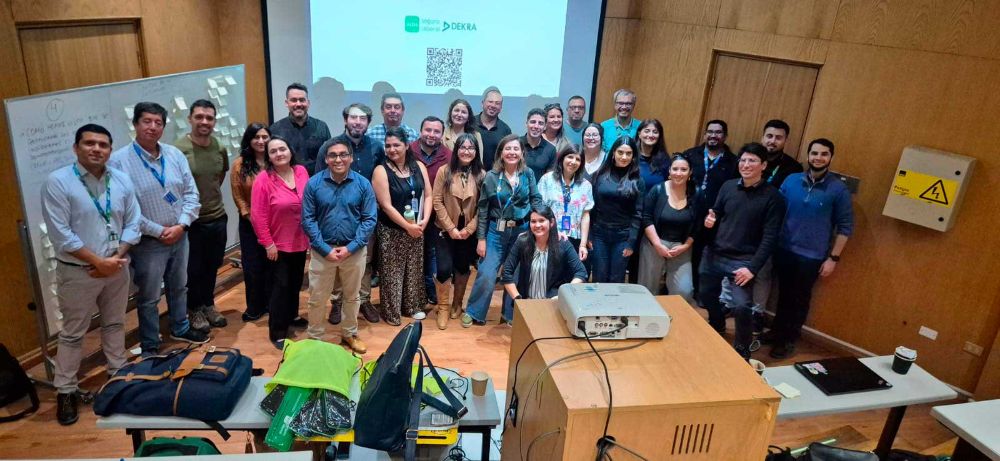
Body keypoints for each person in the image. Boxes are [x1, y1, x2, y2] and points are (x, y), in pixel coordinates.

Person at [43, 124, 141, 425]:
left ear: (110, 150)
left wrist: (115, 257)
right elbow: (62, 235)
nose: (96, 149)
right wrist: (99, 262)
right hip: (79, 271)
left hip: (117, 267)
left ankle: (117, 377)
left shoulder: (121, 180)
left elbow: (133, 222)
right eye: (89, 143)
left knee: (115, 324)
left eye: (103, 144)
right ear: (76, 148)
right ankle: (66, 390)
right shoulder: (59, 182)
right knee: (73, 333)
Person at [108, 102, 208, 356]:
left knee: (179, 286)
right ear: (135, 124)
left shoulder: (174, 154)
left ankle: (180, 327)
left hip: (180, 235)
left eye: (158, 123)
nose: (152, 127)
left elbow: (191, 193)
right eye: (147, 121)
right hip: (147, 242)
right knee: (149, 296)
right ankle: (151, 342)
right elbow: (125, 209)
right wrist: (158, 231)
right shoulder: (119, 162)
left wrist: (181, 225)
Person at [767, 138, 853, 359]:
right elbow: (776, 210)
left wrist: (833, 258)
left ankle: (787, 340)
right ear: (808, 155)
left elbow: (845, 227)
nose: (818, 158)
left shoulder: (838, 189)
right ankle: (776, 332)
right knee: (783, 294)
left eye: (824, 154)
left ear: (831, 157)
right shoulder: (791, 180)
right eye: (814, 153)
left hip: (812, 257)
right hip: (784, 248)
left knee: (799, 299)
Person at [699, 142, 786, 359]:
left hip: (744, 260)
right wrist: (710, 221)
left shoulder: (773, 197)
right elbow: (716, 213)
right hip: (715, 253)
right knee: (706, 295)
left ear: (763, 165)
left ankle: (742, 349)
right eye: (743, 160)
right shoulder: (728, 186)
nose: (746, 165)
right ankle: (717, 322)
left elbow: (770, 237)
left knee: (742, 306)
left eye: (752, 161)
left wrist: (752, 268)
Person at [302, 139, 377, 354]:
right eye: (333, 155)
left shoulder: (363, 184)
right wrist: (325, 249)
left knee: (352, 296)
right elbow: (308, 219)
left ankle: (349, 333)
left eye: (343, 154)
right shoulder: (313, 184)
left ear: (351, 158)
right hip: (322, 251)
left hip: (353, 252)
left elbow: (369, 219)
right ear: (326, 159)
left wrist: (350, 248)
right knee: (317, 298)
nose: (338, 159)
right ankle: (315, 337)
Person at [463, 134, 542, 327]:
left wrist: (544, 221)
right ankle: (474, 311)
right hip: (495, 232)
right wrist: (481, 238)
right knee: (486, 273)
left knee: (515, 274)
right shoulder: (491, 176)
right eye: (508, 149)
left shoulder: (528, 174)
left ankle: (510, 314)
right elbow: (483, 209)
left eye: (516, 149)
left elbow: (536, 199)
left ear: (522, 153)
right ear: (501, 153)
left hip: (521, 231)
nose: (512, 152)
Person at [316, 103, 385, 325]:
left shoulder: (376, 147)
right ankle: (337, 301)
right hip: (335, 215)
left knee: (365, 260)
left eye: (362, 118)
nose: (357, 122)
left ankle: (363, 300)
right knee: (338, 259)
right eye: (353, 117)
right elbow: (318, 181)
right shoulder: (329, 146)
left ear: (368, 123)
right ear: (345, 120)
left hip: (365, 215)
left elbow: (381, 178)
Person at [250, 137, 310, 349]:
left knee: (295, 283)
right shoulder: (263, 179)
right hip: (277, 245)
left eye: (282, 149)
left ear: (290, 151)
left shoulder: (301, 171)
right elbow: (257, 216)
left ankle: (292, 316)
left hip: (300, 241)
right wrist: (268, 244)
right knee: (280, 288)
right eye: (273, 151)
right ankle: (277, 330)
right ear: (268, 157)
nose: (279, 154)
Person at [175, 99, 229, 330]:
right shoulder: (178, 150)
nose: (204, 122)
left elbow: (219, 177)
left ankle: (208, 304)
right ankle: (195, 309)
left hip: (217, 216)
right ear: (190, 119)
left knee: (212, 265)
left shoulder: (219, 147)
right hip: (191, 222)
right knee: (193, 269)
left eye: (209, 118)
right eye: (199, 117)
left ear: (214, 121)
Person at [373, 127, 433, 326]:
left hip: (417, 227)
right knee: (392, 273)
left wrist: (424, 220)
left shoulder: (419, 166)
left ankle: (412, 306)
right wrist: (407, 227)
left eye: (396, 145)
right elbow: (386, 206)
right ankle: (392, 312)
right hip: (392, 230)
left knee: (414, 269)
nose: (392, 149)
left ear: (407, 145)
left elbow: (429, 195)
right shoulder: (381, 171)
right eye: (388, 146)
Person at [753, 119, 803, 325]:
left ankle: (757, 313)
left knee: (763, 272)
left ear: (785, 140)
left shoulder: (794, 168)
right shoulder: (750, 157)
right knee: (733, 264)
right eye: (769, 136)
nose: (772, 141)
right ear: (763, 137)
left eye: (778, 138)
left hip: (771, 227)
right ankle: (729, 304)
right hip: (743, 222)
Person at [432, 133, 484, 329]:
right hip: (445, 230)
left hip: (468, 232)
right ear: (456, 150)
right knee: (444, 268)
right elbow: (437, 201)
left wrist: (469, 229)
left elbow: (483, 207)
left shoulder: (482, 175)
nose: (466, 151)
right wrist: (451, 228)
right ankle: (443, 307)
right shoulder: (444, 171)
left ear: (476, 152)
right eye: (463, 147)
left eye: (471, 148)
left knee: (462, 267)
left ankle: (457, 304)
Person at [683, 119, 738, 294]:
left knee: (706, 257)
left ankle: (701, 293)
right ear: (705, 134)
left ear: (725, 136)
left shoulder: (733, 162)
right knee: (685, 252)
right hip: (688, 213)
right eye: (710, 132)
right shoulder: (690, 155)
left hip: (715, 219)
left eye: (718, 132)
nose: (713, 135)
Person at [638, 155, 697, 304]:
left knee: (684, 291)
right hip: (654, 243)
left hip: (681, 246)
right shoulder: (657, 190)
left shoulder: (696, 193)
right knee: (648, 290)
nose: (679, 173)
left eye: (683, 169)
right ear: (669, 171)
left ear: (690, 172)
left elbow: (698, 224)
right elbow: (646, 218)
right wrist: (657, 244)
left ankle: (673, 315)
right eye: (675, 169)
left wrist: (686, 246)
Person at [501, 205, 588, 301]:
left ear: (551, 222)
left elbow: (581, 272)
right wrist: (518, 299)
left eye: (541, 220)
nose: (537, 225)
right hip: (527, 302)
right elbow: (506, 272)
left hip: (553, 303)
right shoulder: (522, 241)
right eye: (533, 221)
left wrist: (564, 295)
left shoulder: (563, 244)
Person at [589, 136, 645, 284]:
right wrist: (589, 236)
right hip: (599, 234)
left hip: (623, 236)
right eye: (620, 152)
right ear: (613, 153)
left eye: (628, 153)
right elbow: (591, 208)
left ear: (633, 156)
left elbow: (638, 214)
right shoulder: (599, 176)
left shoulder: (637, 180)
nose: (624, 157)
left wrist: (631, 242)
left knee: (616, 279)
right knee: (599, 277)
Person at [231, 123, 272, 322]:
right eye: (256, 137)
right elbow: (238, 195)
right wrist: (251, 218)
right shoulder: (240, 164)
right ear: (249, 140)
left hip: (274, 224)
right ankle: (255, 307)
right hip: (250, 224)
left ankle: (273, 304)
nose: (261, 141)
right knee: (253, 267)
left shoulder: (275, 160)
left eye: (265, 137)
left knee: (273, 266)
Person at [411, 116, 452, 306]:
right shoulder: (408, 151)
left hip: (437, 215)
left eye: (436, 131)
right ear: (420, 131)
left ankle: (432, 290)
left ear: (442, 134)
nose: (431, 134)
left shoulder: (449, 156)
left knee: (433, 253)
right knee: (415, 254)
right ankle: (415, 292)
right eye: (428, 130)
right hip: (410, 215)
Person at [537, 144, 593, 264]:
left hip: (574, 239)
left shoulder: (585, 185)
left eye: (578, 159)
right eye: (570, 157)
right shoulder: (547, 180)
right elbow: (539, 210)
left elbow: (585, 216)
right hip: (549, 236)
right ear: (562, 158)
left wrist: (583, 245)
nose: (573, 162)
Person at [631, 119, 671, 284]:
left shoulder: (665, 162)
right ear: (639, 133)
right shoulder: (629, 156)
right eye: (647, 131)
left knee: (642, 263)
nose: (650, 135)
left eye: (655, 132)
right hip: (630, 216)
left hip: (652, 219)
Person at [269, 82, 332, 175]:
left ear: (308, 103)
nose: (298, 104)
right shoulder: (275, 130)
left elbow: (330, 155)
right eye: (293, 100)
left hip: (317, 180)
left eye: (302, 100)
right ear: (287, 103)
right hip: (287, 181)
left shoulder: (321, 127)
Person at [475, 88, 512, 171]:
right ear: (482, 103)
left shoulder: (505, 130)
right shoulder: (470, 123)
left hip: (496, 175)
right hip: (472, 174)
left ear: (501, 108)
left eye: (497, 103)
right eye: (490, 102)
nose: (493, 105)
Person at [522, 108, 557, 182]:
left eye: (540, 123)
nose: (536, 126)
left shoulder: (551, 150)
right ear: (526, 123)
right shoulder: (516, 145)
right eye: (533, 122)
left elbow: (550, 179)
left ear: (545, 127)